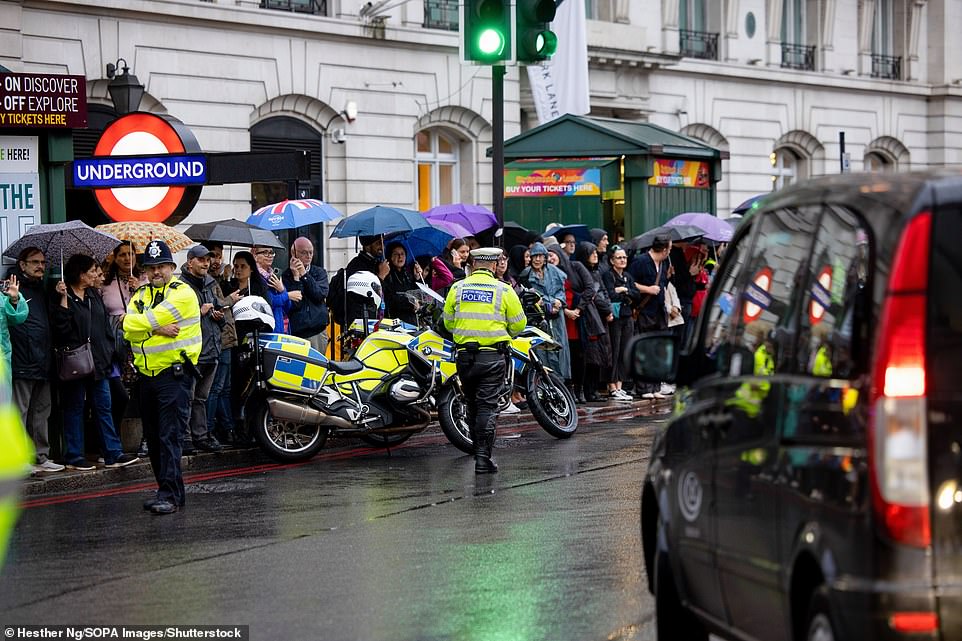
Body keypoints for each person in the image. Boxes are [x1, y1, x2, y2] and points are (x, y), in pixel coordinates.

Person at [123, 240, 201, 515]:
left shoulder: (183, 293)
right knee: (155, 439)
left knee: (170, 437)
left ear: (172, 266)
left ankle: (170, 495)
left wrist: (145, 324)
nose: (156, 272)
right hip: (147, 376)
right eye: (151, 267)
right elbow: (127, 327)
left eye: (161, 266)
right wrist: (156, 328)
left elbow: (140, 322)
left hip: (174, 375)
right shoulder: (140, 295)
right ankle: (167, 491)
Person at [443, 247, 526, 474]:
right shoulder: (503, 290)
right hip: (491, 357)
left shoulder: (457, 288)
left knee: (471, 405)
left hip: (464, 358)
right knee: (487, 408)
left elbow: (448, 323)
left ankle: (477, 452)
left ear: (474, 263)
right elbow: (519, 324)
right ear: (493, 264)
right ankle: (482, 459)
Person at [54, 253, 138, 471]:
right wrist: (62, 300)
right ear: (80, 274)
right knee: (74, 408)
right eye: (91, 271)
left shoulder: (93, 294)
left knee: (104, 407)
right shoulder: (64, 296)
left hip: (100, 361)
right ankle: (74, 455)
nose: (95, 274)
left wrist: (110, 353)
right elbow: (61, 330)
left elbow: (103, 327)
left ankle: (112, 453)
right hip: (75, 361)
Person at [7, 248, 62, 473]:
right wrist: (12, 299)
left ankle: (40, 456)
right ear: (22, 265)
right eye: (35, 262)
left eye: (43, 262)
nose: (41, 266)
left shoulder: (43, 289)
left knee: (41, 412)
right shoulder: (11, 287)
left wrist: (58, 295)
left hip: (43, 360)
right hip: (22, 359)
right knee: (19, 412)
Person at [179, 245, 226, 453]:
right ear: (190, 262)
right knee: (187, 397)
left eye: (208, 259)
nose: (206, 263)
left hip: (212, 348)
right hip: (193, 351)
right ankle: (185, 438)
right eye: (201, 260)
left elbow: (218, 312)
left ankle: (200, 436)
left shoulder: (210, 283)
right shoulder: (181, 287)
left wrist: (219, 317)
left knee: (201, 398)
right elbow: (177, 320)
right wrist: (199, 311)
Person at [101, 241, 145, 456]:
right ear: (115, 258)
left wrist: (139, 290)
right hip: (114, 342)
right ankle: (114, 442)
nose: (127, 259)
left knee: (142, 392)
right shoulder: (105, 281)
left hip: (139, 340)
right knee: (118, 395)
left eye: (131, 254)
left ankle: (145, 441)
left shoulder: (144, 280)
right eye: (122, 255)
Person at [629, 235, 672, 399]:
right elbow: (630, 282)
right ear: (664, 249)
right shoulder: (641, 261)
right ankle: (643, 387)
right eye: (669, 248)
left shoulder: (664, 263)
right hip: (645, 311)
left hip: (659, 311)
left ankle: (655, 386)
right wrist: (648, 289)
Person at [520, 243, 570, 381]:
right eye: (534, 256)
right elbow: (531, 297)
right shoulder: (526, 274)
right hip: (539, 317)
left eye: (540, 256)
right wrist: (547, 303)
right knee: (542, 350)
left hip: (557, 317)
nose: (537, 260)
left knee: (559, 347)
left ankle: (562, 382)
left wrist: (559, 301)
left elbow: (561, 291)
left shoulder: (554, 271)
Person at [204, 242, 237, 446]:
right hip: (218, 340)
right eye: (211, 257)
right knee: (215, 389)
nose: (215, 261)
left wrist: (226, 279)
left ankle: (227, 429)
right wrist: (230, 300)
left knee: (225, 388)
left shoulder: (217, 279)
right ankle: (210, 430)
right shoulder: (206, 282)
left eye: (218, 256)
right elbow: (216, 307)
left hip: (227, 338)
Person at [572, 241, 613, 401]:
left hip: (600, 316)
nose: (595, 255)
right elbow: (592, 295)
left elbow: (604, 292)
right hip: (591, 316)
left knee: (600, 355)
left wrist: (608, 308)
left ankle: (594, 389)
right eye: (591, 252)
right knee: (591, 356)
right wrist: (607, 309)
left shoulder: (597, 272)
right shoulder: (582, 272)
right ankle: (588, 390)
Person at [603, 245, 641, 401]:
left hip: (627, 316)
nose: (623, 260)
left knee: (625, 350)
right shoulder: (608, 275)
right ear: (612, 260)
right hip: (615, 317)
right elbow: (610, 294)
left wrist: (624, 290)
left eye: (624, 257)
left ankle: (620, 385)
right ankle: (612, 386)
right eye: (619, 257)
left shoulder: (628, 276)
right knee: (615, 350)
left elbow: (636, 295)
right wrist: (622, 293)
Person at [283, 237, 330, 354]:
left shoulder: (319, 272)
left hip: (317, 331)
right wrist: (296, 279)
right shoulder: (286, 276)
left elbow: (319, 295)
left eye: (311, 252)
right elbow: (295, 304)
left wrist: (304, 275)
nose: (308, 256)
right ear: (293, 253)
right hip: (298, 332)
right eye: (304, 252)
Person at [344, 235, 389, 326]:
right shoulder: (357, 265)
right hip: (363, 321)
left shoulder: (378, 263)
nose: (382, 247)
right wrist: (381, 276)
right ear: (367, 246)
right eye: (378, 243)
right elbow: (366, 295)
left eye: (382, 242)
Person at [252, 245, 299, 333]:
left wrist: (282, 290)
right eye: (265, 252)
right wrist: (287, 295)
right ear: (255, 256)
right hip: (266, 329)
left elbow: (288, 306)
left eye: (271, 253)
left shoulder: (274, 275)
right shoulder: (255, 277)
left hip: (281, 328)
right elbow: (269, 302)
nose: (269, 256)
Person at [381, 242, 422, 325]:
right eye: (396, 254)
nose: (400, 257)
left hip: (411, 322)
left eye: (402, 254)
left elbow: (417, 294)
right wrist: (410, 303)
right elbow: (390, 299)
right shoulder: (386, 275)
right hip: (395, 322)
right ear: (390, 257)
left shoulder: (408, 274)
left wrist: (417, 278)